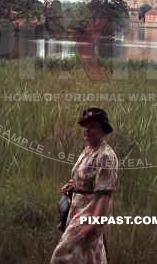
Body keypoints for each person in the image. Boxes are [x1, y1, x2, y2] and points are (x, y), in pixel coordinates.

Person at [50, 107, 119, 264]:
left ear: (103, 130)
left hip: (89, 213)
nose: (87, 130)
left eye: (93, 126)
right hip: (77, 209)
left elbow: (104, 195)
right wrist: (73, 186)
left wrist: (93, 225)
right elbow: (86, 179)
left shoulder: (106, 156)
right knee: (88, 256)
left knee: (62, 256)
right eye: (85, 126)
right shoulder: (88, 149)